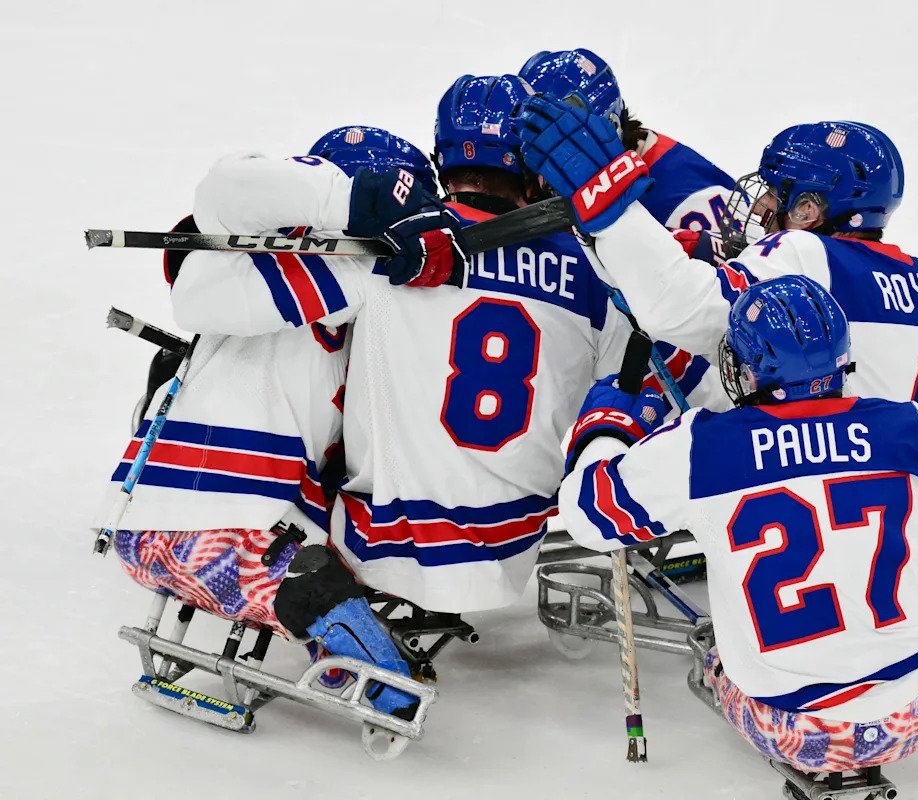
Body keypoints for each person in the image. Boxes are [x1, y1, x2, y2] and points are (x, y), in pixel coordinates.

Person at [514, 102, 918, 662]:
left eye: (776, 196)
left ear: (809, 210)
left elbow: (682, 310)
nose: (759, 206)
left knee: (714, 380)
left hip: (825, 601)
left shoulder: (805, 254)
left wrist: (607, 207)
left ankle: (679, 503)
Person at [168, 74, 688, 619]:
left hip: (383, 550)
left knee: (317, 355)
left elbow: (200, 303)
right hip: (515, 550)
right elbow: (641, 378)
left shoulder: (391, 250)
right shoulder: (592, 267)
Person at [556, 276, 918, 773]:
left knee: (713, 644)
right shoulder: (916, 427)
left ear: (747, 370)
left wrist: (609, 424)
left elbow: (588, 516)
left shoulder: (702, 445)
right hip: (910, 713)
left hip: (788, 726)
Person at [96, 125, 438, 715]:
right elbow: (223, 209)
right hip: (208, 538)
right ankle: (345, 651)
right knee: (330, 589)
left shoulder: (352, 304)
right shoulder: (320, 277)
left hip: (187, 526)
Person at [519, 48, 736, 233]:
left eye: (560, 150)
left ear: (610, 129)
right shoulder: (623, 158)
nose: (542, 177)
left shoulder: (685, 205)